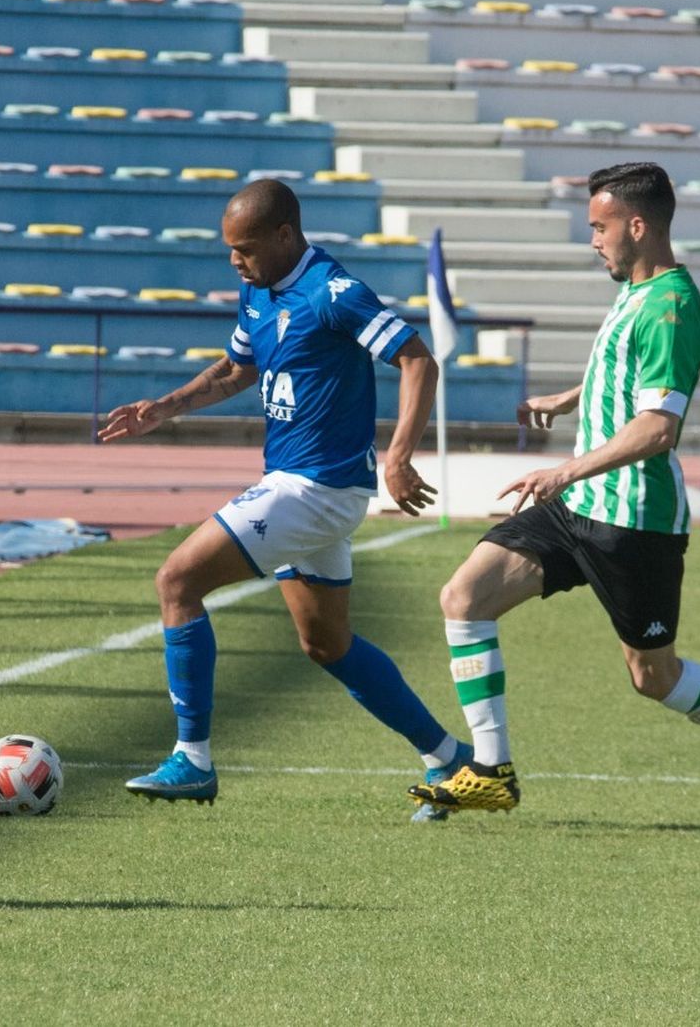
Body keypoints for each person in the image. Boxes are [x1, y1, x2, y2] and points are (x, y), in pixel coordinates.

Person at [408, 162, 700, 828]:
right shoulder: (636, 289)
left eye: (599, 227)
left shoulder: (672, 308)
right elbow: (623, 371)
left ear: (637, 225)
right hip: (580, 506)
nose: (592, 240)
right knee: (463, 596)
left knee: (653, 677)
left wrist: (565, 471)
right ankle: (492, 770)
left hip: (635, 521)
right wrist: (570, 399)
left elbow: (658, 427)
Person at [101, 179, 471, 818]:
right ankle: (450, 759)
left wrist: (400, 456)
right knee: (327, 643)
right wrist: (164, 408)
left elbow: (418, 361)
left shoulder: (334, 293)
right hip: (308, 488)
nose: (234, 261)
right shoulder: (259, 288)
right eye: (229, 250)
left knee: (177, 581)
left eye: (243, 249)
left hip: (314, 486)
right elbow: (236, 368)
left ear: (284, 236)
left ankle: (193, 759)